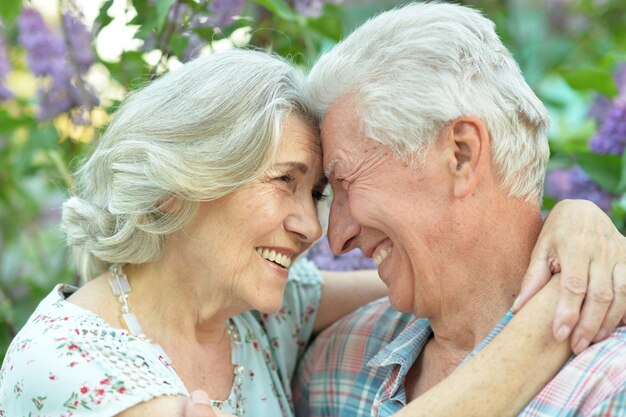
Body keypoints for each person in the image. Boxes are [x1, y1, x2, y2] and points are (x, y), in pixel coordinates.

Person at [0, 48, 623, 417]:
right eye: (284, 182)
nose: (311, 227)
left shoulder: (259, 317)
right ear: (179, 183)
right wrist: (555, 321)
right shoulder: (65, 363)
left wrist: (576, 224)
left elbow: (453, 276)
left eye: (317, 193)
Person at [294, 3, 626, 417]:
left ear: (462, 154)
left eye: (345, 181)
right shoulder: (331, 367)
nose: (336, 237)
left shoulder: (610, 389)